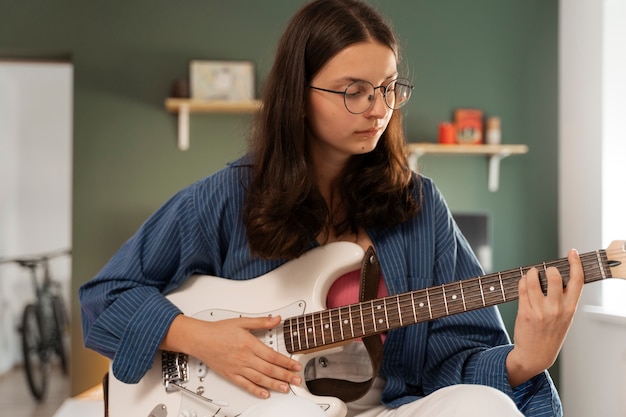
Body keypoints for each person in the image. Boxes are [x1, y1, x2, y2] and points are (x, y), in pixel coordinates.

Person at [79, 1, 584, 416]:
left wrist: (522, 361)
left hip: (389, 409)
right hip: (265, 408)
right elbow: (103, 298)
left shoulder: (420, 205)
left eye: (387, 87)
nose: (379, 108)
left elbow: (453, 359)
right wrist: (203, 338)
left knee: (484, 408)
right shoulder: (226, 196)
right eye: (354, 92)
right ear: (298, 97)